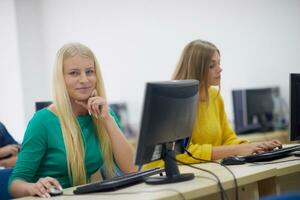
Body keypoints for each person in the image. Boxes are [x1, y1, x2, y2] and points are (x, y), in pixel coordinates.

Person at [9, 43, 137, 198]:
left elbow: (131, 169)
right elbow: (15, 185)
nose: (84, 80)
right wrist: (33, 187)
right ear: (61, 79)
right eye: (74, 73)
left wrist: (107, 120)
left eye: (89, 71)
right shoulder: (42, 122)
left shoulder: (104, 115)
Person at [143, 39, 282, 169]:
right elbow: (180, 152)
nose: (219, 69)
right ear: (196, 68)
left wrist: (254, 146)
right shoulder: (175, 102)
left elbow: (228, 138)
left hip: (202, 171)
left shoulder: (214, 95)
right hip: (161, 177)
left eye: (219, 63)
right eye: (211, 65)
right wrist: (237, 149)